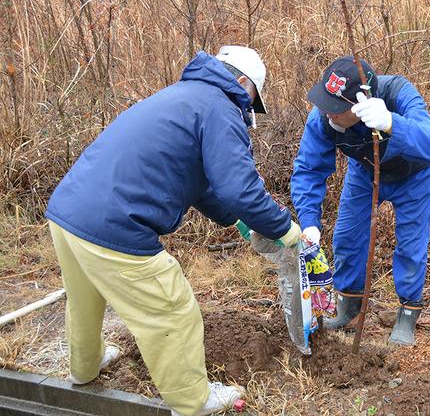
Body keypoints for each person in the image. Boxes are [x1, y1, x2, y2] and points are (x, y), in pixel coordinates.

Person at [45, 46, 301, 416]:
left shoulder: (183, 97)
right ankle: (192, 401)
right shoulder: (221, 107)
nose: (248, 111)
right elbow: (239, 188)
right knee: (172, 308)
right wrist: (284, 229)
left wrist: (242, 222)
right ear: (243, 84)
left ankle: (85, 367)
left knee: (85, 299)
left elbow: (203, 185)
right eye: (251, 102)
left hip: (69, 214)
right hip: (115, 224)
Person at [291, 56, 430, 345]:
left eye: (337, 108)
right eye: (325, 103)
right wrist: (309, 222)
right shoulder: (323, 118)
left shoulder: (398, 94)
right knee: (348, 236)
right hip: (365, 173)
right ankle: (349, 303)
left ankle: (408, 312)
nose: (328, 113)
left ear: (361, 102)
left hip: (414, 176)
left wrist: (391, 123)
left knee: (411, 245)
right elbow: (309, 169)